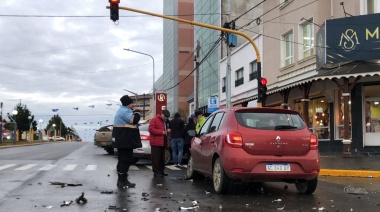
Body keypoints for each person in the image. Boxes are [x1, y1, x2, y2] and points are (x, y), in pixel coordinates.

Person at [112, 95, 142, 188]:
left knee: (122, 159)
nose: (133, 104)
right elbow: (134, 120)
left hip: (122, 139)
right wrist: (137, 112)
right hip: (125, 139)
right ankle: (122, 181)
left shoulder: (122, 110)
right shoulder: (125, 111)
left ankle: (122, 180)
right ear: (128, 103)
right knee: (125, 159)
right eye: (132, 102)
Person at [149, 109, 171, 177]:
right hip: (156, 142)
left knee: (162, 158)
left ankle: (161, 171)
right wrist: (161, 132)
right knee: (156, 158)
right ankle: (156, 172)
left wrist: (168, 130)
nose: (166, 118)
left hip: (163, 141)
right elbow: (150, 129)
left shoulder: (166, 122)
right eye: (165, 116)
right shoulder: (154, 120)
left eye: (167, 117)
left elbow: (166, 129)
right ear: (161, 114)